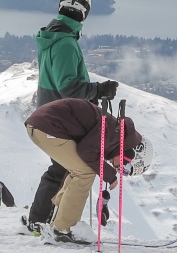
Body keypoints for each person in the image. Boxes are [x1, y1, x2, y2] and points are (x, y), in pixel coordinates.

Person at [25, 0, 118, 233]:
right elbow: (68, 87)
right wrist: (99, 90)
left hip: (53, 112)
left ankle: (43, 220)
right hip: (60, 118)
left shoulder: (55, 38)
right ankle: (41, 222)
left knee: (63, 169)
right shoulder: (65, 43)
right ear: (84, 13)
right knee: (62, 170)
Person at [23, 97, 142, 244]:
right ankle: (63, 229)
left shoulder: (116, 132)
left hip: (41, 125)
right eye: (124, 167)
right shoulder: (115, 133)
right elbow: (86, 152)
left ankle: (57, 221)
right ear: (127, 154)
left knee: (78, 170)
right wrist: (109, 175)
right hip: (48, 127)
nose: (119, 169)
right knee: (85, 172)